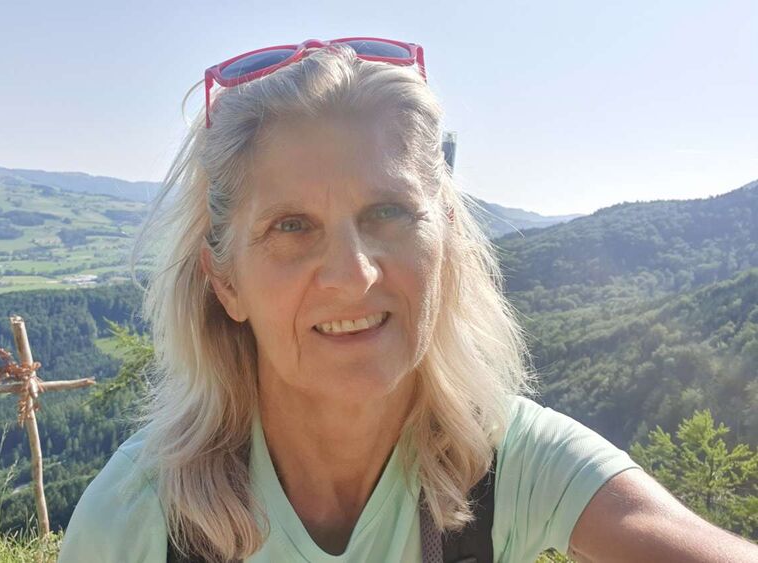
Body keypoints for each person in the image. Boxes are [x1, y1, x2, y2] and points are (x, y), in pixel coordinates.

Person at [59, 38, 757, 562]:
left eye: (389, 211)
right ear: (225, 280)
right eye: (291, 227)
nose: (353, 274)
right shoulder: (138, 521)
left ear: (445, 240)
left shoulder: (503, 462)